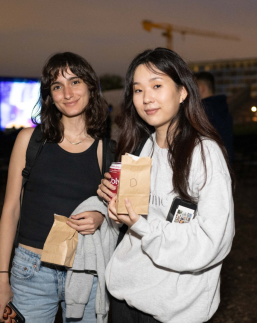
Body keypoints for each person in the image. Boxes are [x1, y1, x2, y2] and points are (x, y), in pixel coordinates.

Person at [97, 48, 235, 323]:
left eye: (157, 86)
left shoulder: (204, 154)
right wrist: (115, 208)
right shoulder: (141, 149)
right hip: (126, 301)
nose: (146, 98)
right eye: (138, 90)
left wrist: (141, 225)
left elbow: (213, 241)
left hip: (174, 311)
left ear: (183, 92)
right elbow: (135, 224)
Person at [0, 52, 111, 323]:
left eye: (75, 81)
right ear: (50, 95)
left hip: (84, 271)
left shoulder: (106, 148)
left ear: (90, 86)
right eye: (57, 86)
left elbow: (117, 209)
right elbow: (11, 210)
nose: (68, 92)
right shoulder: (29, 141)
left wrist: (101, 217)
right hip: (31, 271)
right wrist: (0, 276)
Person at [195, 71, 233, 164]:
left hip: (209, 165)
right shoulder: (222, 108)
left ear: (201, 88)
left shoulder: (202, 111)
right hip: (225, 164)